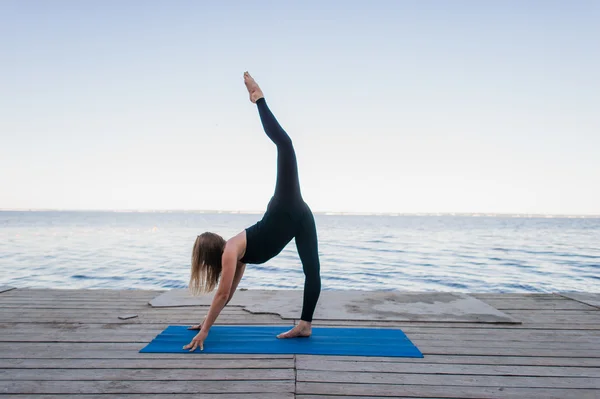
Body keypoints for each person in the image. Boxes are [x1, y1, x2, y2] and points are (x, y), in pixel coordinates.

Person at [183, 72, 322, 352]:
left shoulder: (231, 250)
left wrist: (206, 331)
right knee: (313, 271)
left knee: (285, 144)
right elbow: (228, 293)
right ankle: (305, 324)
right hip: (300, 218)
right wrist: (206, 322)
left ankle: (258, 98)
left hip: (284, 207)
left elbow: (221, 292)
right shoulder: (234, 255)